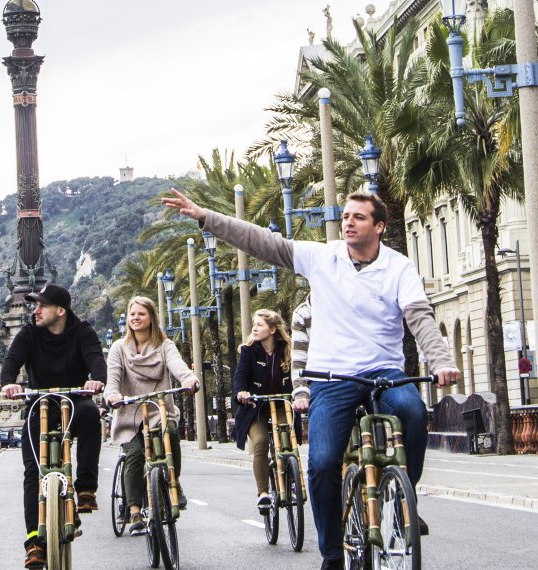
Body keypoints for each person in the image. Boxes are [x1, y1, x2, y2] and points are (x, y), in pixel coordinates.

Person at [163, 188, 461, 570]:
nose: (349, 222)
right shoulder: (324, 257)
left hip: (384, 371)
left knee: (414, 412)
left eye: (359, 217)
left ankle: (404, 498)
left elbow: (420, 318)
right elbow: (263, 242)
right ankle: (332, 555)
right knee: (321, 463)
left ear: (380, 226)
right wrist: (206, 216)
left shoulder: (398, 267)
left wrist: (440, 361)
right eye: (347, 216)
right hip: (332, 377)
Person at [0, 284, 106, 569]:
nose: (35, 310)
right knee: (32, 472)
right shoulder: (29, 333)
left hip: (74, 401)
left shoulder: (82, 331)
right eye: (35, 305)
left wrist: (96, 379)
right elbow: (11, 361)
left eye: (42, 306)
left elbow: (96, 359)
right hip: (39, 403)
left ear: (60, 311)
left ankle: (85, 488)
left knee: (90, 414)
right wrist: (9, 381)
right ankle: (34, 541)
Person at [104, 296, 198, 536]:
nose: (136, 318)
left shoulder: (165, 345)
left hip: (159, 411)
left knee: (171, 434)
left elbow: (177, 365)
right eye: (132, 314)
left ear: (152, 318)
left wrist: (188, 379)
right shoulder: (118, 348)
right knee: (135, 455)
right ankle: (134, 510)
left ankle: (173, 482)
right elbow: (112, 378)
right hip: (129, 413)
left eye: (141, 314)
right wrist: (113, 394)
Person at [233, 309, 298, 513]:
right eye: (254, 324)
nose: (254, 328)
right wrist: (241, 393)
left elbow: (298, 373)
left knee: (287, 437)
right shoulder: (248, 350)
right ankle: (263, 494)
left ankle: (293, 480)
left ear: (272, 329)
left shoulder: (288, 348)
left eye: (259, 324)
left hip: (281, 404)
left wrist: (300, 393)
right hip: (256, 407)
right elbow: (240, 377)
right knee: (261, 442)